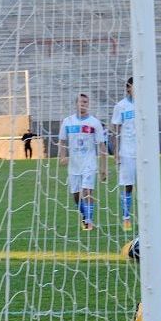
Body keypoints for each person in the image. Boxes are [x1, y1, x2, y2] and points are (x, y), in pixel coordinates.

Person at [58, 94, 107, 231]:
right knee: (76, 195)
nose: (84, 104)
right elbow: (62, 141)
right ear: (76, 104)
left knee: (87, 191)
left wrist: (103, 168)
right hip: (74, 164)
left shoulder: (94, 122)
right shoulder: (68, 122)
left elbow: (102, 146)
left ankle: (89, 222)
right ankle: (85, 217)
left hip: (89, 163)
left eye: (86, 102)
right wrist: (62, 157)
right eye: (81, 102)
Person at [111, 77, 136, 232]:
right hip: (126, 152)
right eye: (134, 87)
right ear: (128, 88)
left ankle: (146, 217)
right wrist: (116, 152)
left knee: (146, 186)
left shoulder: (146, 104)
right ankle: (126, 217)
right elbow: (116, 131)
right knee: (128, 185)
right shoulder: (121, 106)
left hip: (144, 153)